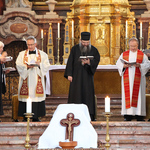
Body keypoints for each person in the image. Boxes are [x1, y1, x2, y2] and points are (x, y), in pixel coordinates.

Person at [64, 32, 100, 121]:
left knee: (88, 95)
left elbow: (96, 60)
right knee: (76, 94)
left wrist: (89, 63)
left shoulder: (94, 50)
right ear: (80, 41)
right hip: (76, 77)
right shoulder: (75, 49)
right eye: (84, 42)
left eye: (87, 43)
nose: (85, 44)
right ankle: (74, 115)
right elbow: (70, 62)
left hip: (87, 76)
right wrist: (69, 74)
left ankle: (89, 115)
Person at [16, 36, 50, 122]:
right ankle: (24, 117)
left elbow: (46, 66)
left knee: (36, 97)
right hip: (26, 79)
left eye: (31, 45)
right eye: (28, 45)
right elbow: (18, 64)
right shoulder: (21, 54)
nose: (30, 46)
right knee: (26, 97)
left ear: (35, 44)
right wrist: (26, 66)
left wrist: (39, 64)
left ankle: (36, 116)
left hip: (36, 80)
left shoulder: (43, 54)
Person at [116, 37, 150, 121]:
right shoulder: (124, 54)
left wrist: (140, 66)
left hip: (138, 79)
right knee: (128, 95)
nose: (133, 48)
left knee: (138, 96)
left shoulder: (142, 55)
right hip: (127, 78)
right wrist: (124, 66)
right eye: (131, 46)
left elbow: (147, 64)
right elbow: (118, 63)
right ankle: (128, 115)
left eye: (134, 46)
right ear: (129, 46)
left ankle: (139, 115)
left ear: (137, 45)